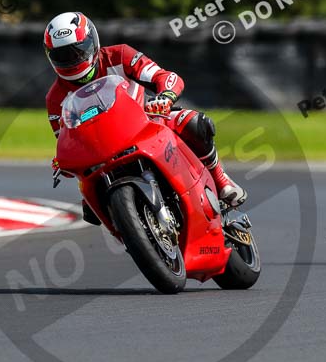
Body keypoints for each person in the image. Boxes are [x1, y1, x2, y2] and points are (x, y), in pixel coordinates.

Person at [43, 12, 246, 224]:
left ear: (92, 42)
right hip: (101, 152)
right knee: (91, 209)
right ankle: (135, 233)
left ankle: (220, 179)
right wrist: (62, 162)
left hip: (146, 123)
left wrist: (165, 97)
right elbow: (67, 141)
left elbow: (165, 77)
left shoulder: (120, 55)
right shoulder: (55, 98)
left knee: (194, 122)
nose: (73, 60)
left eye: (78, 51)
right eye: (63, 56)